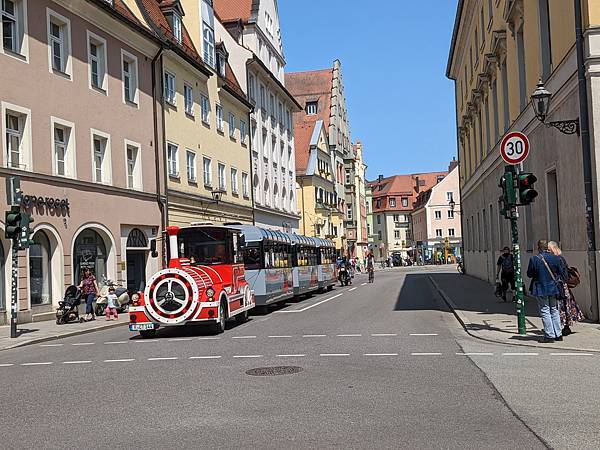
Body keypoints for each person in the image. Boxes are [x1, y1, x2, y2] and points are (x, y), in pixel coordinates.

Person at [527, 239, 568, 343]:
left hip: (540, 288)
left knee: (545, 311)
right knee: (554, 310)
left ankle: (549, 335)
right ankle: (558, 334)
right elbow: (561, 272)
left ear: (538, 247)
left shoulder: (534, 259)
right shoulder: (556, 258)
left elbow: (529, 274)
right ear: (547, 247)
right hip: (554, 288)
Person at [548, 241, 584, 336]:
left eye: (549, 249)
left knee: (561, 305)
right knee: (564, 305)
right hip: (562, 285)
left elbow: (563, 273)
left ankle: (563, 327)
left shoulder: (558, 259)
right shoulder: (560, 259)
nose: (548, 251)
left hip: (560, 286)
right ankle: (564, 326)